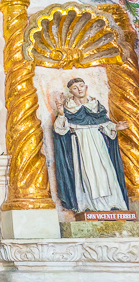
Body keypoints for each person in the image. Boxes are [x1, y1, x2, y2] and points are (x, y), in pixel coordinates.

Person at [53, 77, 129, 213]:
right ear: (71, 92)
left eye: (81, 86)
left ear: (86, 87)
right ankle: (89, 204)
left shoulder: (96, 106)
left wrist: (116, 127)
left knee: (106, 172)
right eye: (75, 88)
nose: (79, 89)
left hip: (98, 142)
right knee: (87, 175)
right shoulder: (68, 108)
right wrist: (60, 114)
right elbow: (60, 129)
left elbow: (105, 124)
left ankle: (113, 203)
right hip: (81, 143)